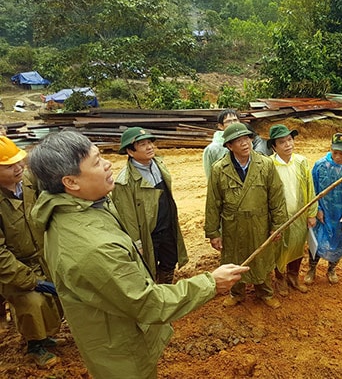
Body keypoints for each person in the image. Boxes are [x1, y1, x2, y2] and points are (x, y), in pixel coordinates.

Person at [28, 130, 248, 378]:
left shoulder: (78, 206)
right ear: (71, 182)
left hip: (114, 331)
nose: (108, 164)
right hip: (121, 350)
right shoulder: (94, 248)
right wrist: (211, 283)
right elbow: (146, 303)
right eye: (97, 161)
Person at [205, 122, 287, 309]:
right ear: (229, 146)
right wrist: (213, 233)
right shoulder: (219, 169)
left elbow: (277, 197)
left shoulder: (265, 164)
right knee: (235, 258)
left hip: (261, 223)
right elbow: (213, 203)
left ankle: (265, 292)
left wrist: (277, 225)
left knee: (263, 258)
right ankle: (237, 293)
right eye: (238, 140)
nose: (244, 143)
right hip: (233, 225)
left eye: (247, 138)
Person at [0, 136, 64, 367]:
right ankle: (35, 345)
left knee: (53, 300)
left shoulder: (27, 182)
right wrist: (31, 280)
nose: (19, 168)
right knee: (31, 302)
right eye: (9, 166)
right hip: (14, 267)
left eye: (20, 162)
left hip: (41, 254)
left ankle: (46, 336)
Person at [111, 127, 187, 284]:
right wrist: (137, 243)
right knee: (148, 268)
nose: (149, 147)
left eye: (150, 142)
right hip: (148, 234)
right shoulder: (124, 181)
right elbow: (128, 217)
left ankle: (166, 287)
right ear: (130, 152)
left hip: (167, 227)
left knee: (170, 261)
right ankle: (155, 296)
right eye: (142, 144)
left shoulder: (159, 165)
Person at [306, 133, 342, 285]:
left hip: (341, 215)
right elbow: (313, 189)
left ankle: (331, 269)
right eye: (334, 152)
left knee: (339, 242)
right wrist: (316, 208)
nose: (337, 157)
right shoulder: (320, 165)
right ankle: (312, 268)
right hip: (323, 212)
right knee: (316, 242)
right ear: (330, 148)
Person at [268, 124, 317, 296]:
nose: (288, 144)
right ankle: (280, 278)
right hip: (279, 218)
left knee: (297, 246)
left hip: (299, 215)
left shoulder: (301, 162)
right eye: (282, 142)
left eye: (290, 140)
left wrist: (311, 213)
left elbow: (310, 188)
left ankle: (293, 276)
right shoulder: (269, 166)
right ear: (274, 146)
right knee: (279, 249)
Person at [203, 109, 240, 179]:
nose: (233, 123)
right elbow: (210, 175)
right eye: (229, 121)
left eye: (235, 120)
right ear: (220, 126)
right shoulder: (212, 149)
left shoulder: (247, 143)